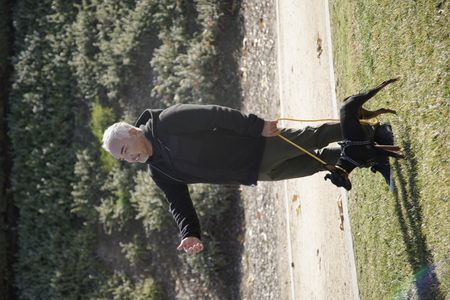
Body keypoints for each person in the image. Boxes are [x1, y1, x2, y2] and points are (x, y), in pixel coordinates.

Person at [102, 104, 342, 254]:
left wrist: (255, 126)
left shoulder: (167, 121)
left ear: (133, 131)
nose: (131, 158)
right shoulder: (158, 171)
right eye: (124, 159)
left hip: (256, 145)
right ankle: (371, 152)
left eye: (125, 150)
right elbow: (178, 202)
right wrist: (190, 233)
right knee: (317, 164)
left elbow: (213, 115)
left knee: (314, 138)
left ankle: (365, 128)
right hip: (254, 173)